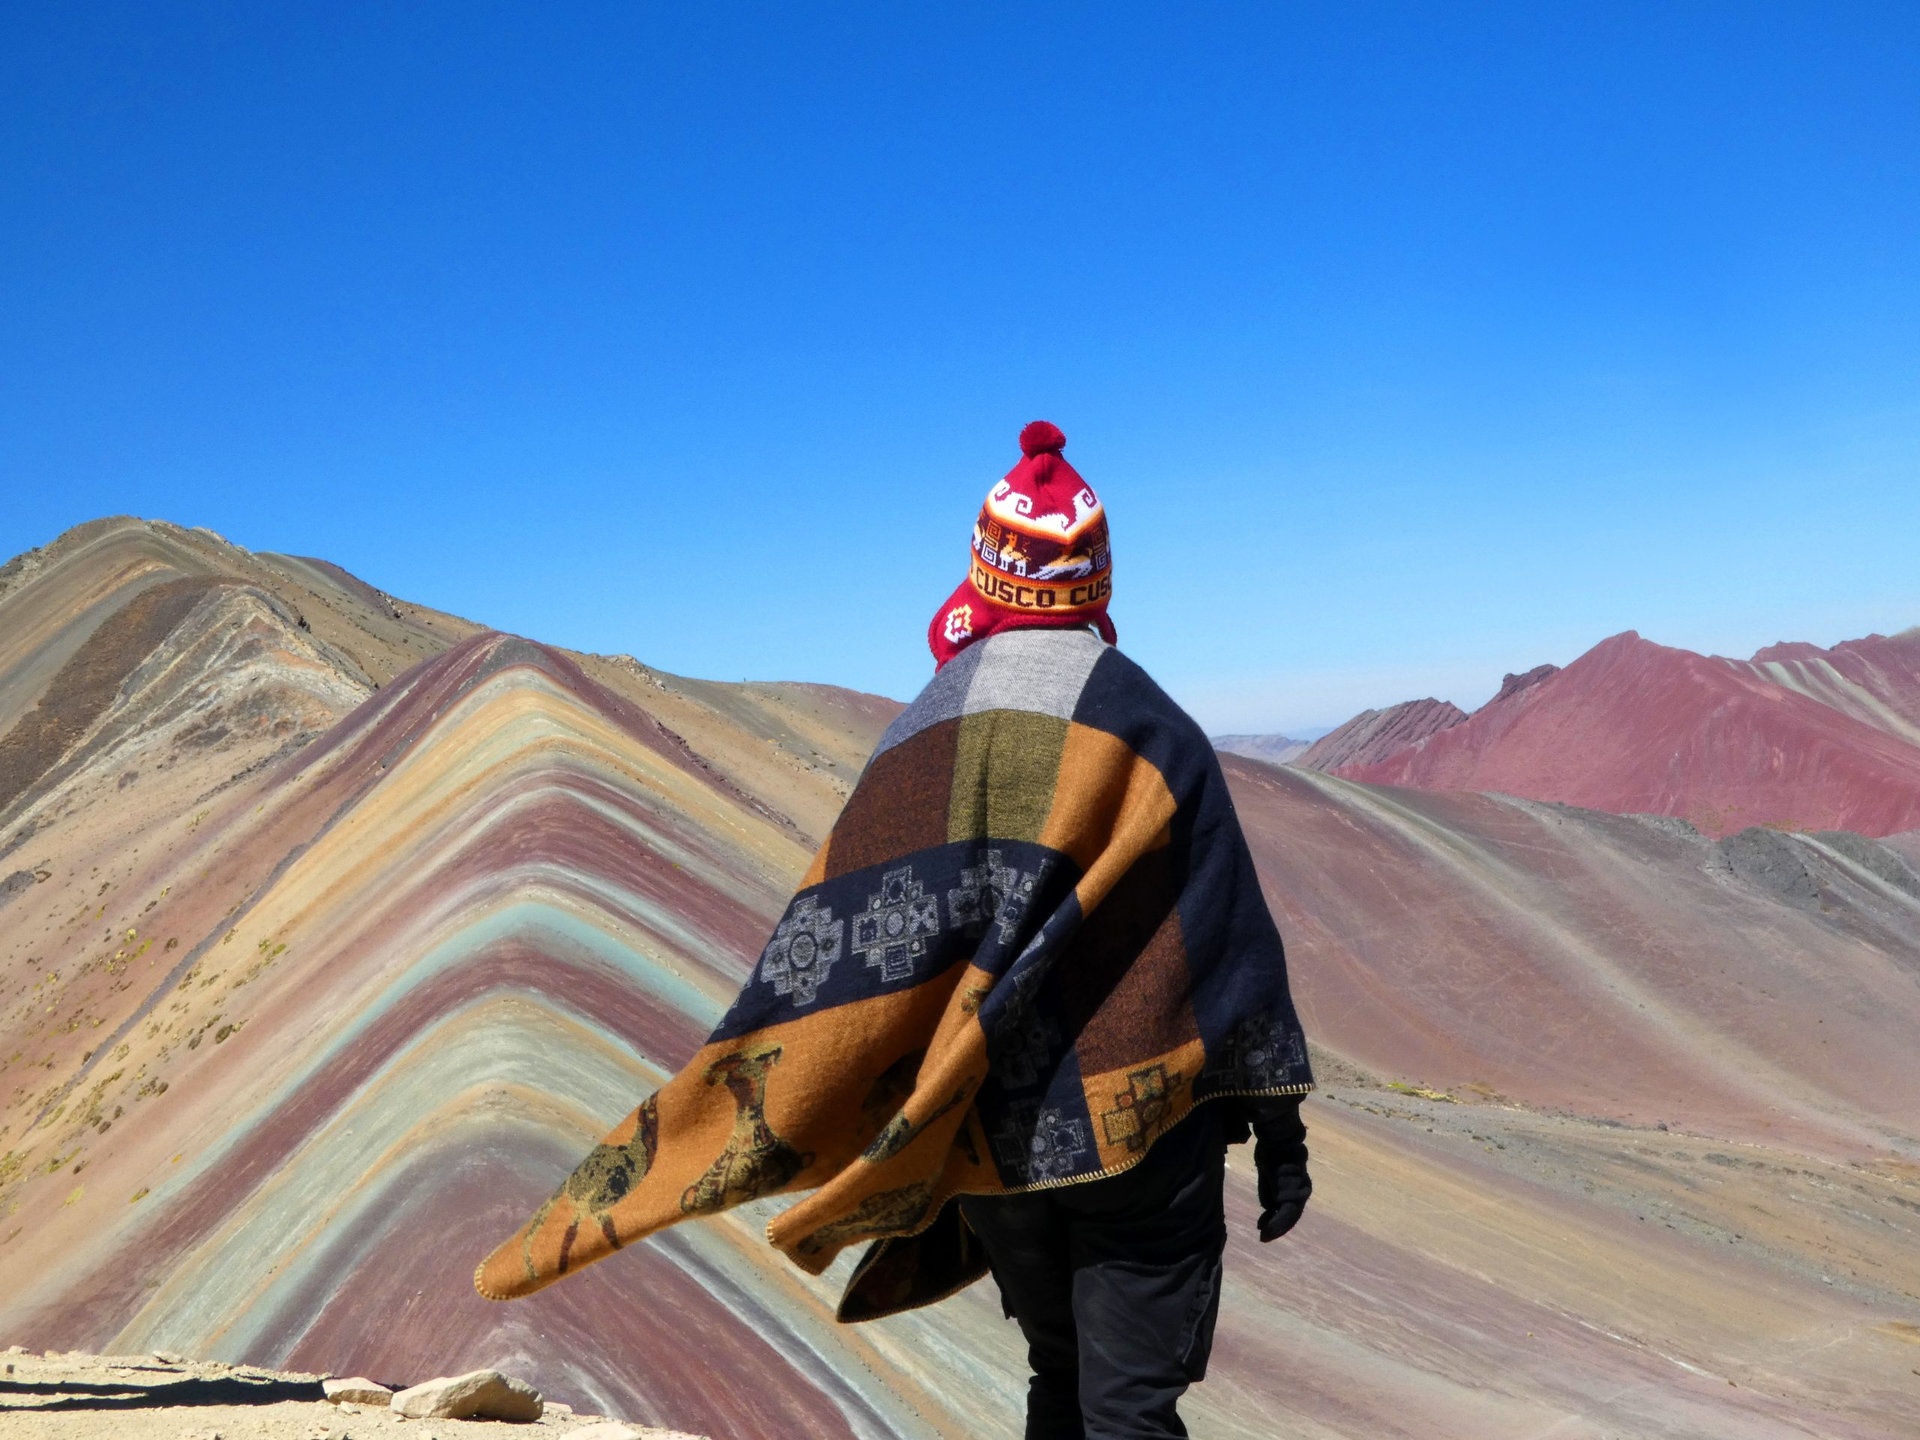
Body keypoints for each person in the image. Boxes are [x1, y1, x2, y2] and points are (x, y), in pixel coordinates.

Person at [477, 421, 1315, 1440]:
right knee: (1132, 1402)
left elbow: (849, 941)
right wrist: (1279, 1131)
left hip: (992, 1141)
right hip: (1144, 1128)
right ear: (1095, 580)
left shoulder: (927, 729)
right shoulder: (1151, 724)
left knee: (1058, 1375)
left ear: (987, 574)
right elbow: (1225, 934)